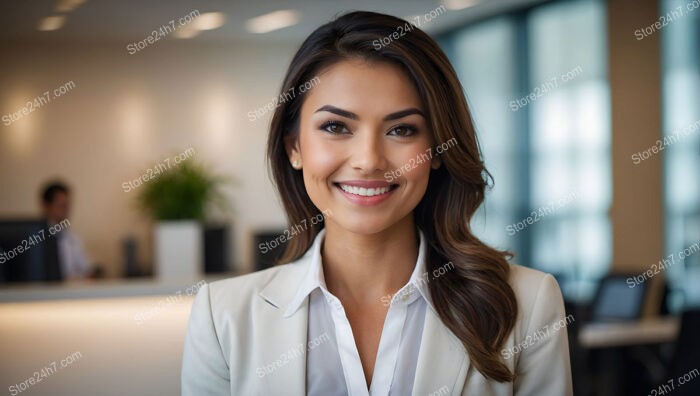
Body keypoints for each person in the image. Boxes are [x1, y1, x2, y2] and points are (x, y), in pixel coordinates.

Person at [182, 11, 572, 395]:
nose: (368, 160)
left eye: (401, 130)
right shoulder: (224, 316)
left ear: (437, 148)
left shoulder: (528, 303)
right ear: (295, 147)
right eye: (336, 127)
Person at [40, 181, 91, 280]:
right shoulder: (34, 239)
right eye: (61, 206)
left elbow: (87, 271)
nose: (66, 211)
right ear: (46, 206)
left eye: (67, 206)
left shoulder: (73, 239)